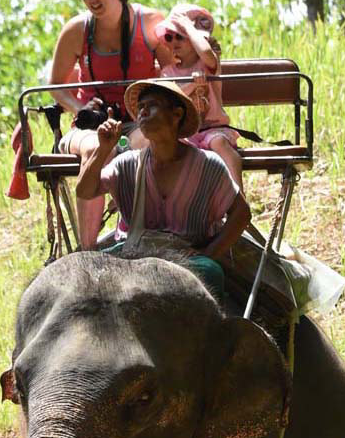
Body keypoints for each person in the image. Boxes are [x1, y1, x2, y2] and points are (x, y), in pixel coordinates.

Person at [76, 79, 251, 302]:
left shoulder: (208, 165)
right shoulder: (127, 164)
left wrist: (208, 253)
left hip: (185, 260)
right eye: (140, 108)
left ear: (177, 114)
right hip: (133, 256)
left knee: (208, 271)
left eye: (152, 105)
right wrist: (102, 150)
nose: (143, 112)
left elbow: (241, 213)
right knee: (83, 273)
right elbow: (85, 191)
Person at [49, 0, 165, 246]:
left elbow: (172, 75)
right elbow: (56, 87)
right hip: (89, 127)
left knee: (142, 145)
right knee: (98, 149)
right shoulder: (76, 31)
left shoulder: (149, 22)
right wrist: (82, 109)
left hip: (139, 123)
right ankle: (86, 252)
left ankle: (140, 236)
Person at [156, 4, 243, 188]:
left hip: (213, 128)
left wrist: (187, 26)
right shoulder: (168, 72)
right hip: (184, 132)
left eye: (180, 36)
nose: (173, 42)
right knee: (170, 150)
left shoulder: (208, 65)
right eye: (169, 37)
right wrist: (192, 85)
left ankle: (238, 198)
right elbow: (170, 96)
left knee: (219, 143)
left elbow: (206, 53)